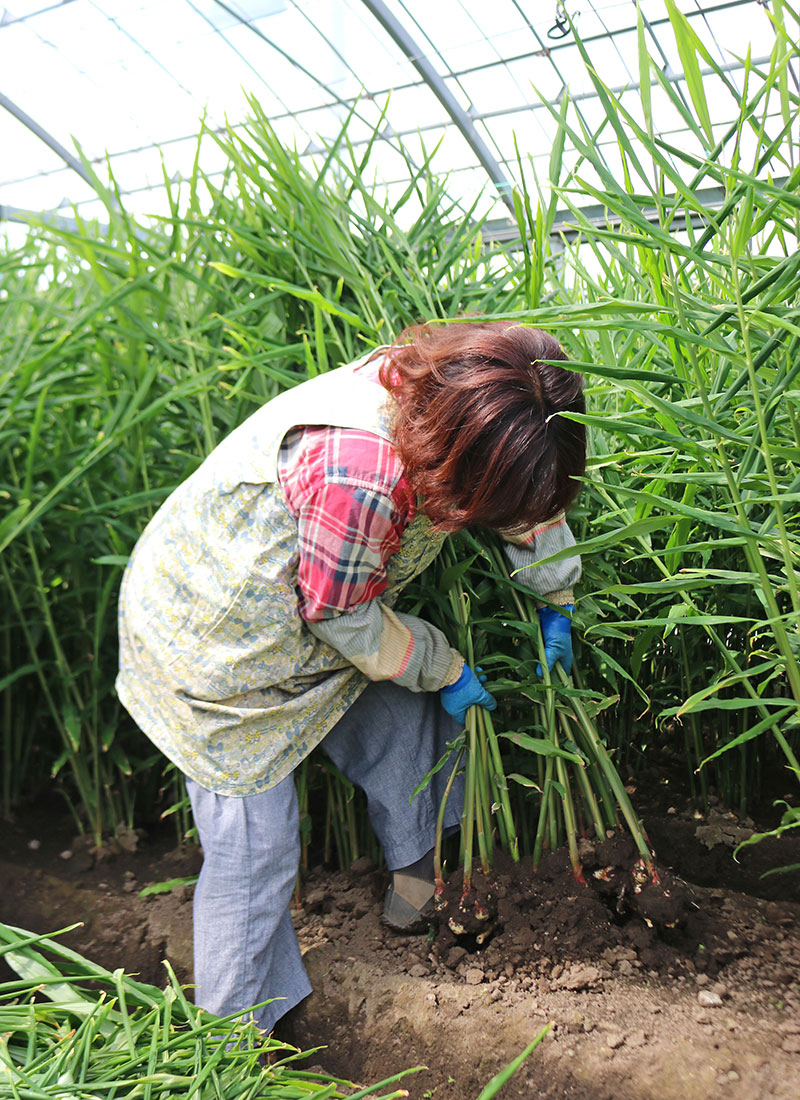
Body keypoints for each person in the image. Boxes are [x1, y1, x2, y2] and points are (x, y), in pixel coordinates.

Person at [116, 319, 585, 1033]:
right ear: (455, 454)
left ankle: (415, 890)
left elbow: (524, 488)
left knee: (405, 722)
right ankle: (230, 1041)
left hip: (310, 615)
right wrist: (444, 664)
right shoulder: (357, 468)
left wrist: (557, 594)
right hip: (216, 644)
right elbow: (339, 615)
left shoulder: (472, 399)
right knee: (255, 846)